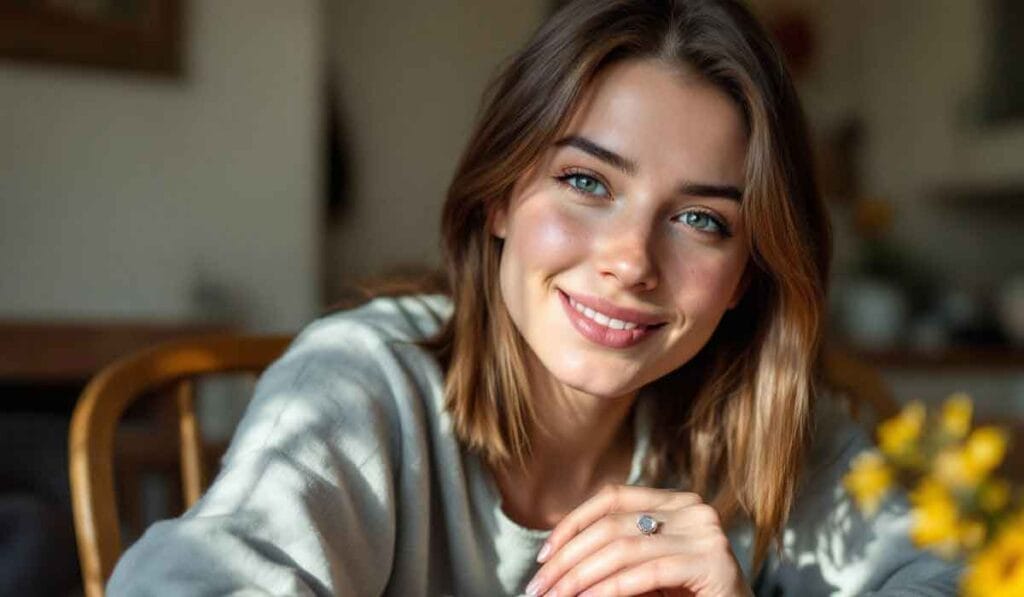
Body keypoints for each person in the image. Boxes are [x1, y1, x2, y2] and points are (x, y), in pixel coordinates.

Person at [108, 1, 961, 595]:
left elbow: (962, 576)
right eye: (587, 181)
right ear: (499, 197)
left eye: (702, 218)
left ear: (749, 274)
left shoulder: (767, 426)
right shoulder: (361, 386)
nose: (631, 260)